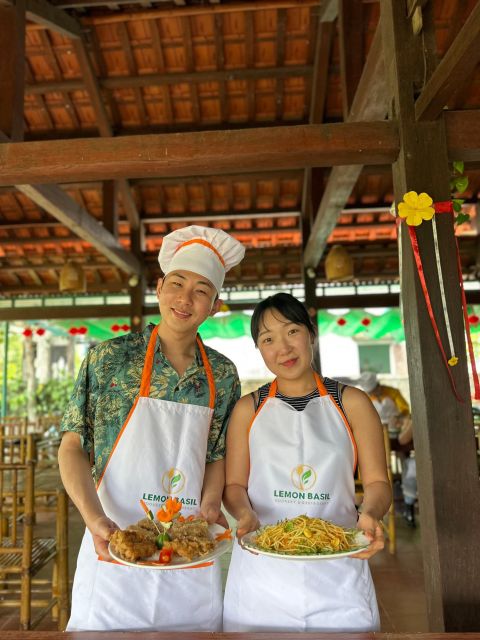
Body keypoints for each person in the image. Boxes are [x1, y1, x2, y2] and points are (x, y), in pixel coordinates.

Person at [58, 225, 245, 631]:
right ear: (159, 288)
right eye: (177, 284)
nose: (185, 298)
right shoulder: (108, 359)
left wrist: (210, 509)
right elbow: (73, 446)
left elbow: (217, 455)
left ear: (214, 305)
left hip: (189, 557)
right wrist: (94, 520)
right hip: (113, 548)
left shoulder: (223, 375)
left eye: (201, 290)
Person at [223, 293, 391, 632]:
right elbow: (234, 486)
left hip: (339, 574)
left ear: (310, 333)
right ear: (259, 348)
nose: (282, 348)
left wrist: (370, 513)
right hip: (261, 577)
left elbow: (377, 483)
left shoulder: (352, 402)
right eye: (268, 339)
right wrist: (244, 514)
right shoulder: (247, 410)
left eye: (292, 332)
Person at [360, 372, 417, 526]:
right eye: (370, 392)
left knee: (405, 460)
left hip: (396, 433)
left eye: (374, 391)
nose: (372, 394)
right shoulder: (365, 399)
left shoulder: (393, 393)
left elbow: (405, 410)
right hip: (377, 436)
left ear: (378, 386)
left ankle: (404, 496)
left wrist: (398, 419)